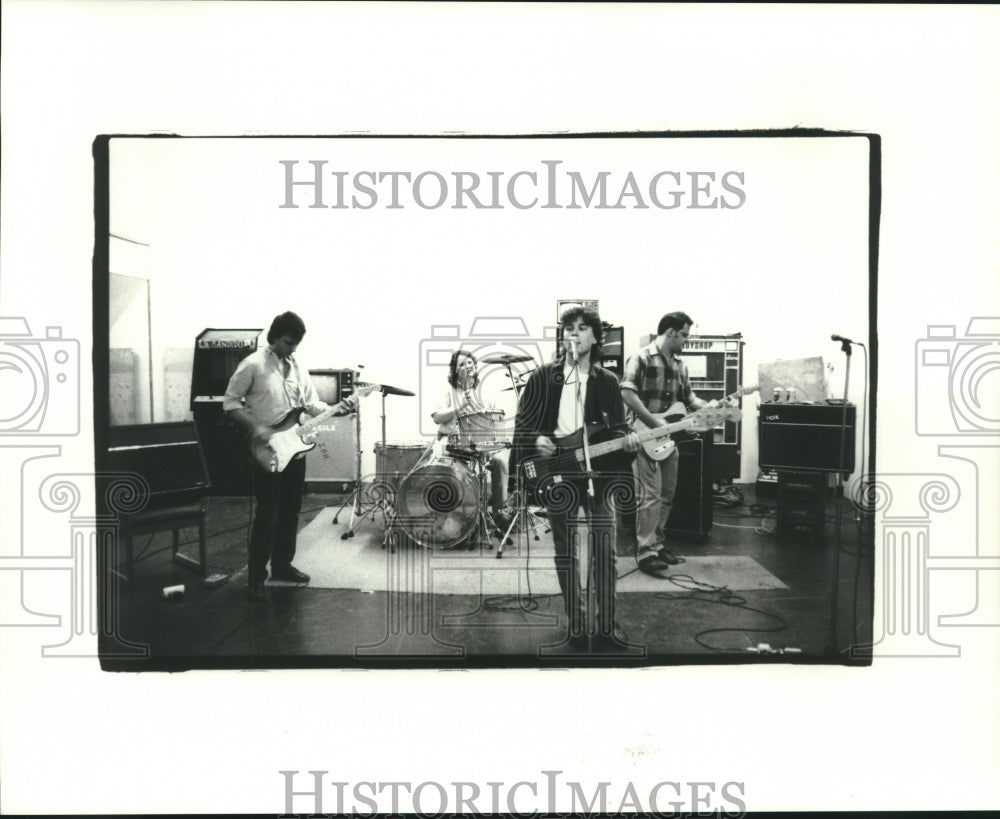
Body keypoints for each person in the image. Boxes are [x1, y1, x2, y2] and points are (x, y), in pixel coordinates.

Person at [511, 306, 640, 652]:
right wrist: (536, 438)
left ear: (596, 337)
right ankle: (577, 626)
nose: (574, 334)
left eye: (583, 328)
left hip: (597, 474)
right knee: (566, 552)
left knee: (605, 551)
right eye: (569, 328)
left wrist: (628, 442)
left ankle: (607, 629)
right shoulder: (542, 377)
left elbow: (616, 432)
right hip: (558, 475)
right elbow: (522, 424)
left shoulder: (608, 382)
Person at [224, 311, 347, 601]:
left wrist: (336, 408)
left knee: (290, 510)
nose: (293, 349)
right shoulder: (252, 364)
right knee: (268, 514)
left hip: (295, 448)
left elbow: (311, 402)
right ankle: (255, 577)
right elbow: (230, 403)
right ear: (275, 337)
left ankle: (281, 566)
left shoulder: (297, 366)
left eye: (296, 344)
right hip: (266, 450)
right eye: (289, 343)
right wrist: (256, 428)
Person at [620, 310, 713, 577]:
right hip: (645, 436)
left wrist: (707, 408)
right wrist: (653, 423)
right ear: (670, 332)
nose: (686, 340)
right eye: (684, 334)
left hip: (669, 440)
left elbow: (689, 398)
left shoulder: (680, 365)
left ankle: (658, 545)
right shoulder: (641, 356)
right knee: (648, 496)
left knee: (666, 495)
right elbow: (627, 392)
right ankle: (645, 551)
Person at [430, 350, 513, 532]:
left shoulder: (482, 392)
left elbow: (490, 422)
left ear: (475, 367)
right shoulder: (448, 392)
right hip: (453, 447)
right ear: (454, 371)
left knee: (501, 462)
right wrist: (460, 407)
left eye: (469, 363)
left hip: (479, 446)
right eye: (461, 364)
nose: (467, 367)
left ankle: (499, 513)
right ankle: (462, 516)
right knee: (458, 472)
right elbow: (437, 417)